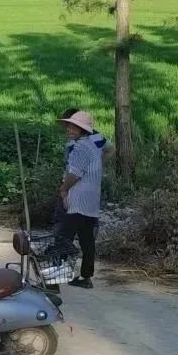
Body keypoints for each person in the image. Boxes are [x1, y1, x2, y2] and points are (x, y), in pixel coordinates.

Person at [57, 110, 103, 289]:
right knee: (87, 240)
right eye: (68, 126)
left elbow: (74, 174)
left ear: (82, 129)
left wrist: (63, 189)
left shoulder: (80, 147)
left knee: (63, 237)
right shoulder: (93, 146)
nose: (69, 129)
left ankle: (55, 275)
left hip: (79, 200)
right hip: (91, 202)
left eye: (73, 127)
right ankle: (86, 276)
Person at [53, 108, 114, 239]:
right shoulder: (85, 137)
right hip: (81, 183)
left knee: (64, 218)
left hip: (76, 183)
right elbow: (109, 149)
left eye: (68, 125)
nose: (66, 128)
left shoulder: (90, 137)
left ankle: (61, 245)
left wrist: (95, 165)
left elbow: (109, 149)